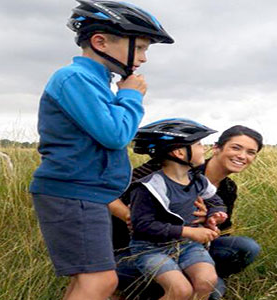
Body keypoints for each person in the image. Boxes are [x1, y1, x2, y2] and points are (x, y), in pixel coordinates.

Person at [29, 1, 173, 299]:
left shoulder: (96, 81)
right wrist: (131, 95)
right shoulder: (75, 78)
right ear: (100, 41)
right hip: (74, 192)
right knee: (100, 282)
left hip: (84, 193)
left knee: (90, 281)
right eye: (142, 47)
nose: (144, 58)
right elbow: (115, 135)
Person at [113, 125, 263, 300]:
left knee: (241, 252)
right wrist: (130, 216)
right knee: (189, 291)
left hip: (187, 245)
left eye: (251, 152)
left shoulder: (225, 188)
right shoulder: (163, 173)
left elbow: (219, 227)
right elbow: (110, 195)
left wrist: (212, 219)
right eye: (236, 148)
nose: (242, 156)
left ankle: (186, 275)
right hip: (143, 248)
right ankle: (137, 286)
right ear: (217, 148)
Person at [127, 118, 228, 300]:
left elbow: (214, 200)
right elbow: (142, 225)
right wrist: (188, 231)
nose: (202, 148)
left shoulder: (198, 180)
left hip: (187, 245)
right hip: (151, 248)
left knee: (207, 281)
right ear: (180, 153)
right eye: (198, 144)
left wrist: (215, 215)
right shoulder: (149, 187)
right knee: (180, 291)